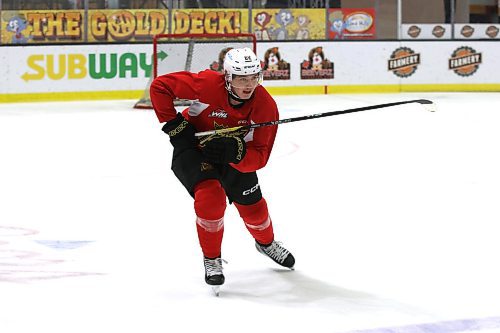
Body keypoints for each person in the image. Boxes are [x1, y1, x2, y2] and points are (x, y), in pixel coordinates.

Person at [149, 47, 295, 291]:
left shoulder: (266, 106)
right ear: (228, 77)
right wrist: (175, 126)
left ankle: (266, 243)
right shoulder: (206, 84)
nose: (249, 85)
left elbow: (260, 155)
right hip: (195, 149)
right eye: (241, 78)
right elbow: (160, 87)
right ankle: (212, 258)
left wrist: (237, 153)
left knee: (255, 210)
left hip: (236, 157)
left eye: (254, 78)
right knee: (211, 197)